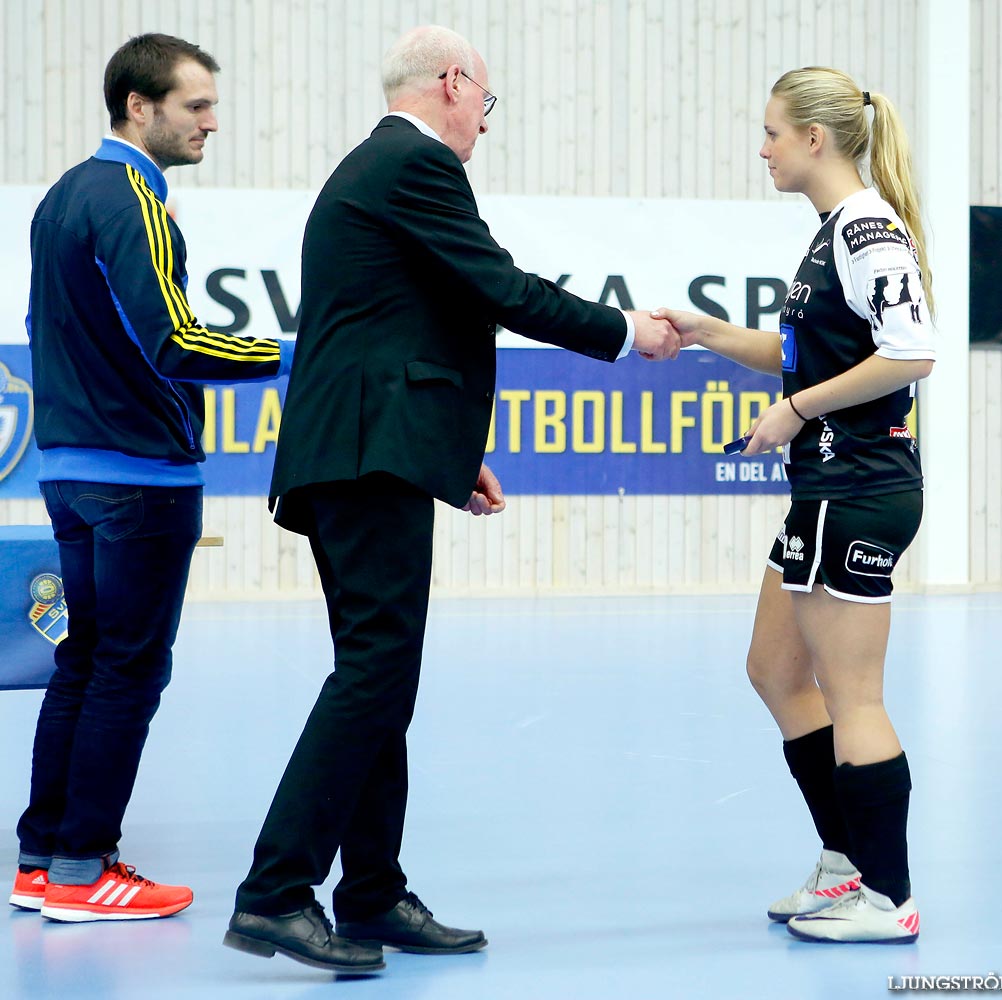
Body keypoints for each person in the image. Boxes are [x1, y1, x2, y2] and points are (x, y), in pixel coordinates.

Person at [222, 24, 679, 974]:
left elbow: (406, 320)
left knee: (379, 670)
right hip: (362, 457)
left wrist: (446, 453)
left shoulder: (381, 170)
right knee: (375, 673)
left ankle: (374, 892)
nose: (484, 122)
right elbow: (499, 288)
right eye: (487, 101)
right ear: (454, 83)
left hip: (370, 450)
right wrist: (627, 331)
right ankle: (274, 893)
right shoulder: (413, 163)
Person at [11, 33, 294, 923]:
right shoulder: (133, 199)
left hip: (69, 470)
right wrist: (297, 352)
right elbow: (176, 340)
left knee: (85, 662)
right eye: (196, 105)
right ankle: (83, 871)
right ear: (141, 105)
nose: (213, 122)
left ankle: (43, 855)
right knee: (128, 670)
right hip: (138, 479)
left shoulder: (63, 196)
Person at [655, 66, 936, 944]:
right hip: (824, 490)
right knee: (776, 671)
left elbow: (912, 351)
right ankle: (844, 861)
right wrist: (705, 332)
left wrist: (798, 409)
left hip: (859, 487)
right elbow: (798, 349)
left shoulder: (867, 229)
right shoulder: (830, 234)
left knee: (854, 694)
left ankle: (887, 898)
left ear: (815, 140)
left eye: (773, 131)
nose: (764, 147)